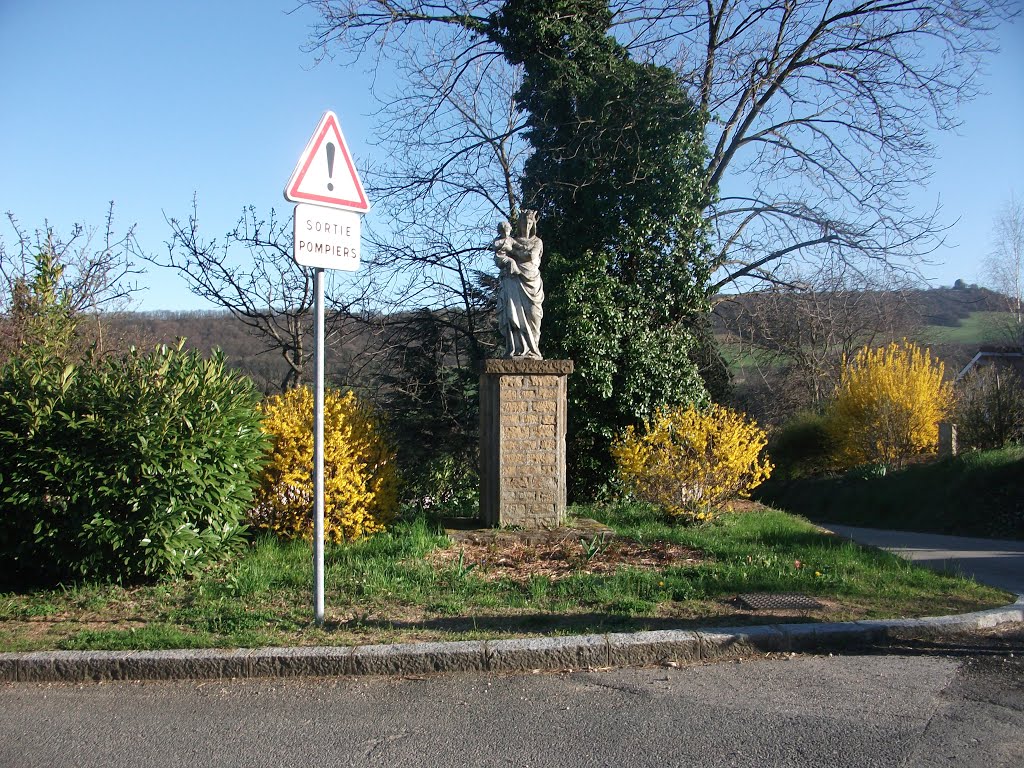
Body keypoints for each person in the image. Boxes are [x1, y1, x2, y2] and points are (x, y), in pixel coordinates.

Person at [493, 210, 544, 359]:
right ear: (519, 224)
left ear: (533, 224)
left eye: (529, 223)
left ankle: (533, 351)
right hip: (514, 282)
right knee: (514, 316)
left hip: (532, 282)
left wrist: (512, 249)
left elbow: (530, 256)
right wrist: (508, 259)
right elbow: (498, 258)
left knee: (534, 316)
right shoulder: (509, 241)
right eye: (523, 223)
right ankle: (517, 350)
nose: (526, 226)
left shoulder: (537, 242)